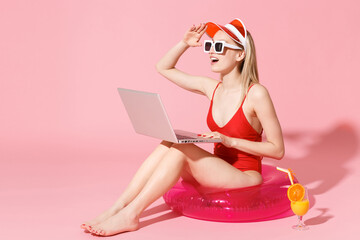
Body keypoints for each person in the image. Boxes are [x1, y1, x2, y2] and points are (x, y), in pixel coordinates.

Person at [81, 18, 284, 236]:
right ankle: (118, 207)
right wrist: (185, 43)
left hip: (244, 175)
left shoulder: (257, 94)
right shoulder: (212, 88)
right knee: (169, 141)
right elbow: (163, 67)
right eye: (210, 46)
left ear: (240, 54)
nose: (211, 52)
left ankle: (132, 215)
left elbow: (277, 150)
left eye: (220, 47)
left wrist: (229, 141)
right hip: (216, 169)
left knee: (181, 150)